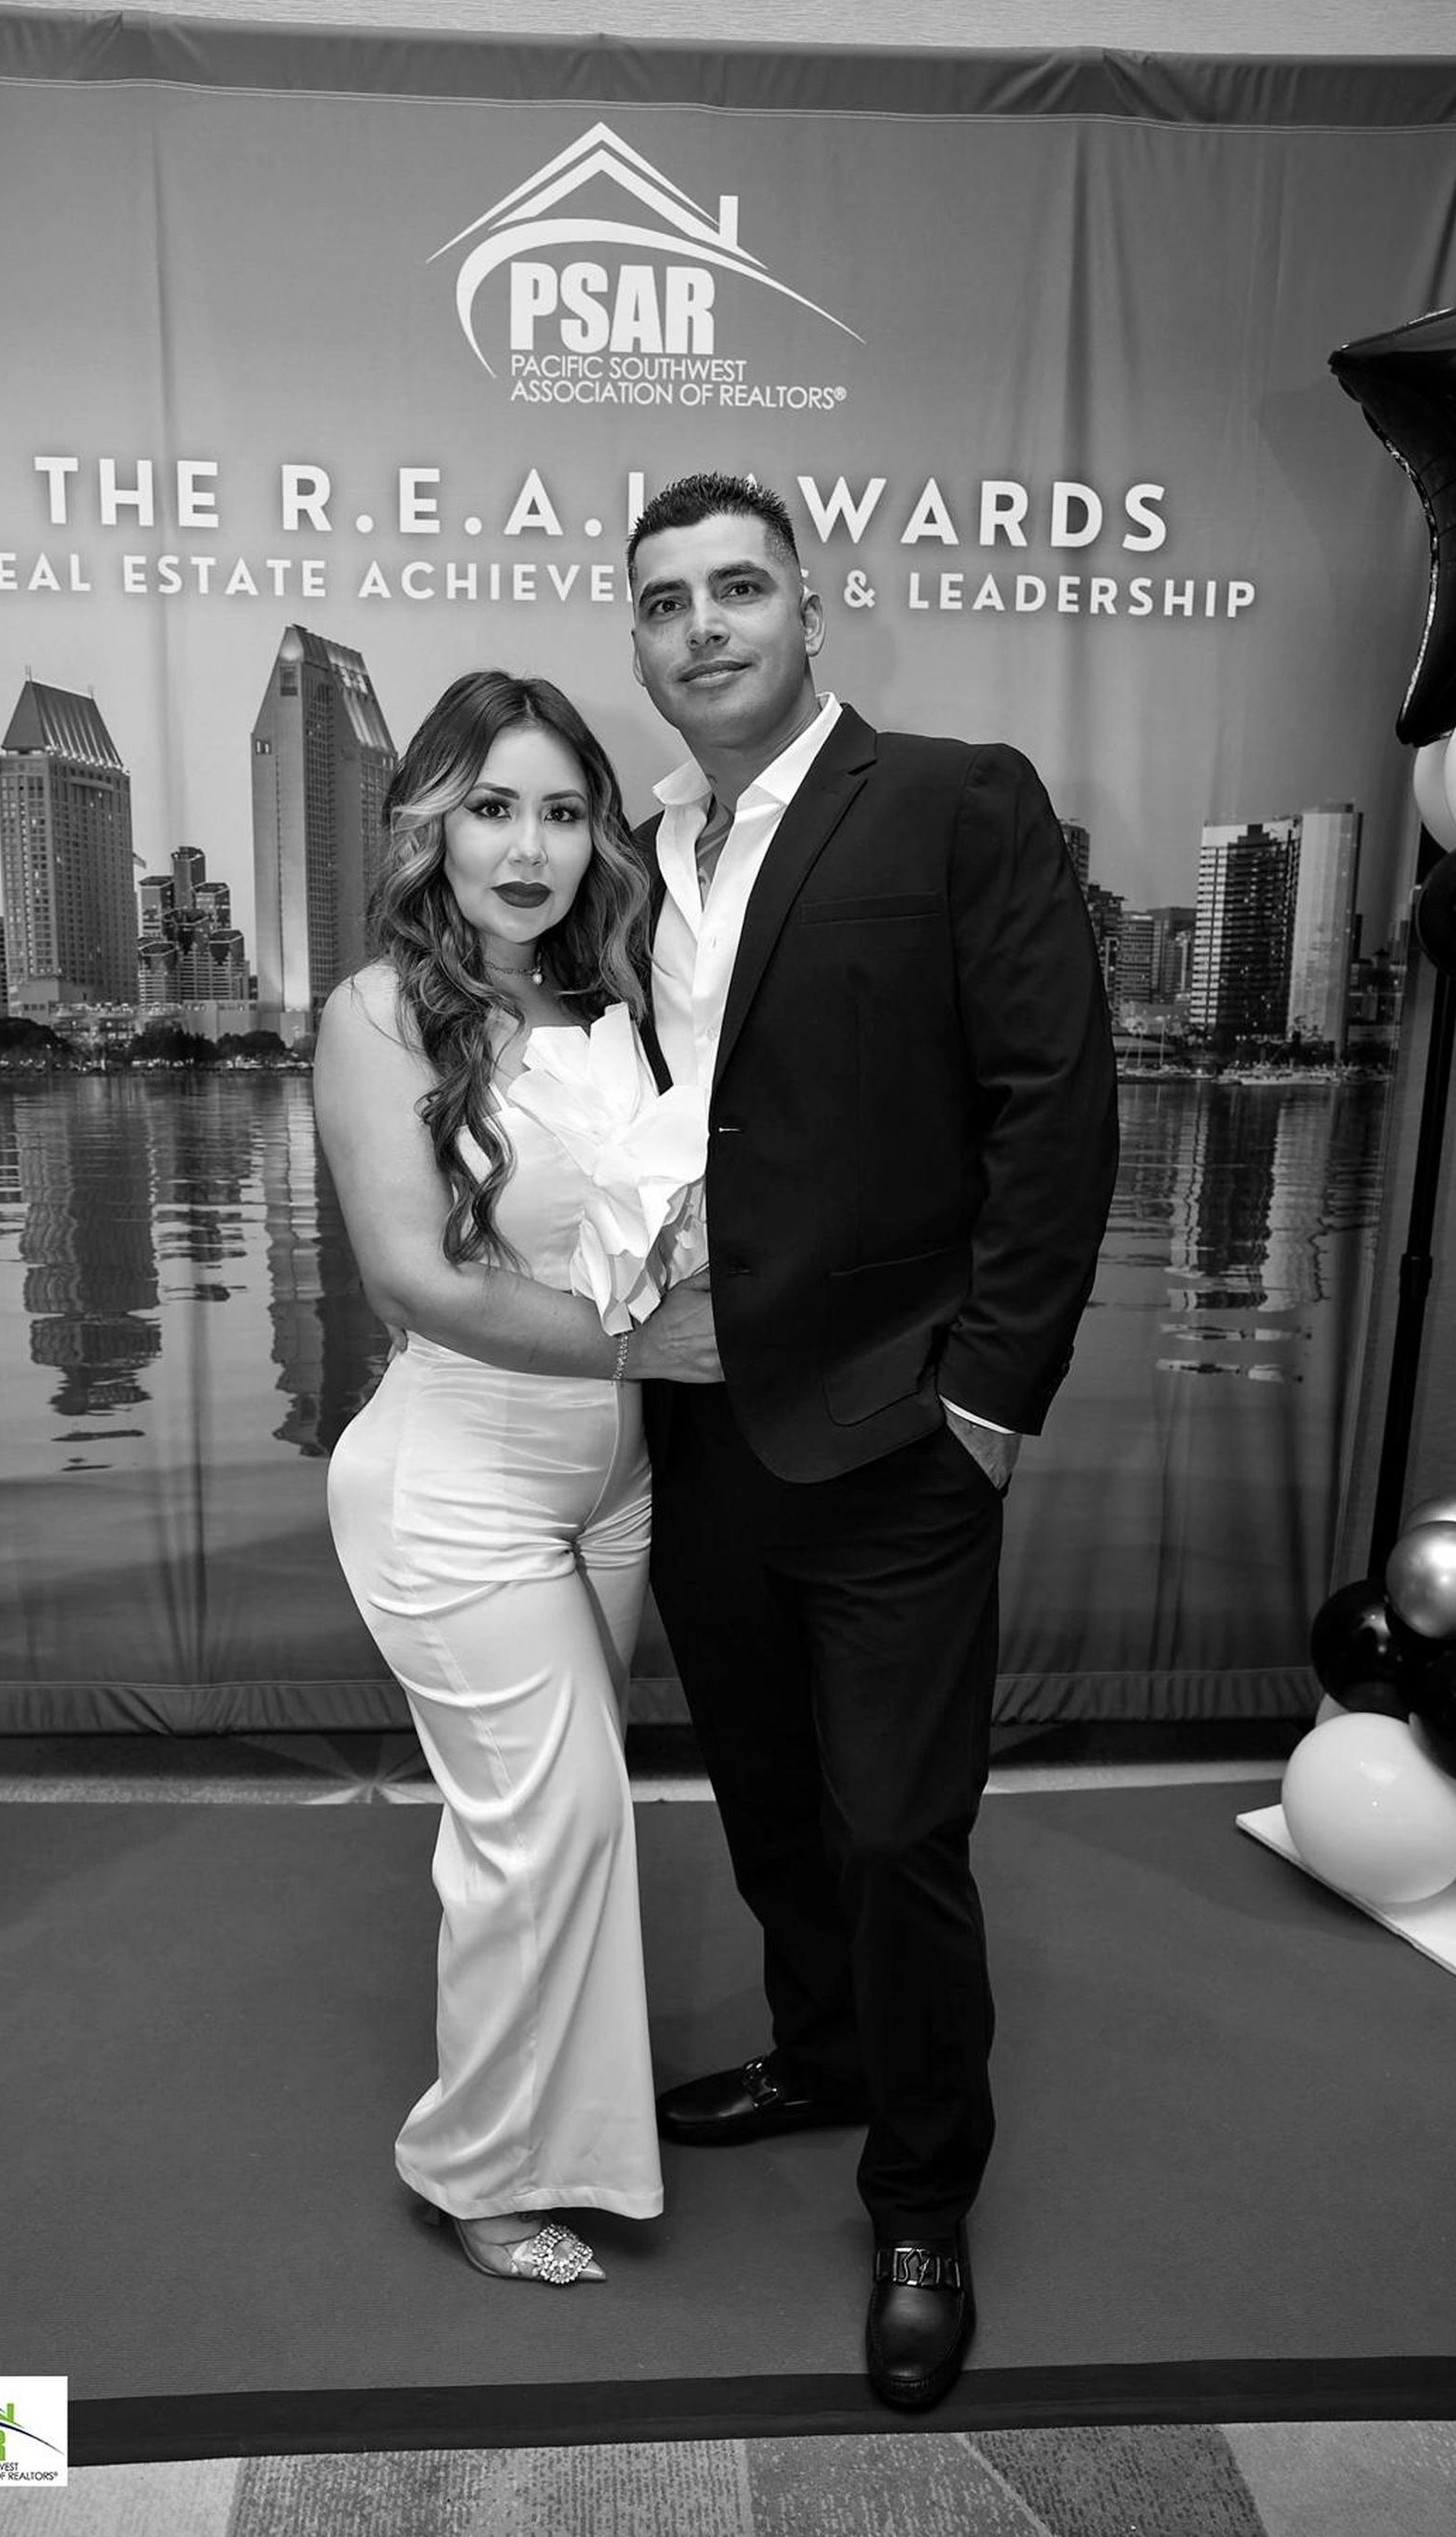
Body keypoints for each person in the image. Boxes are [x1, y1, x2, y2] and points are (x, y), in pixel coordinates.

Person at [625, 472, 1119, 2406]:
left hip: (904, 1433)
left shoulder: (952, 800)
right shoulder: (640, 853)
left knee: (901, 1831)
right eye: (665, 600)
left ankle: (922, 2201)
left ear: (811, 609)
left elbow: (1054, 1106)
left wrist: (986, 1401)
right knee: (767, 1799)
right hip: (702, 1430)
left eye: (738, 587)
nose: (703, 627)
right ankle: (819, 2052)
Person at [315, 668, 711, 2289]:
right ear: (433, 824)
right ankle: (474, 2170)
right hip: (455, 1485)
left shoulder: (616, 1003)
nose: (529, 848)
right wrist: (665, 1355)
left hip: (608, 1491)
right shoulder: (379, 1014)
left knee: (559, 1831)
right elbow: (414, 1281)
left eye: (560, 811)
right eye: (492, 808)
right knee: (552, 1829)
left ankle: (565, 2129)